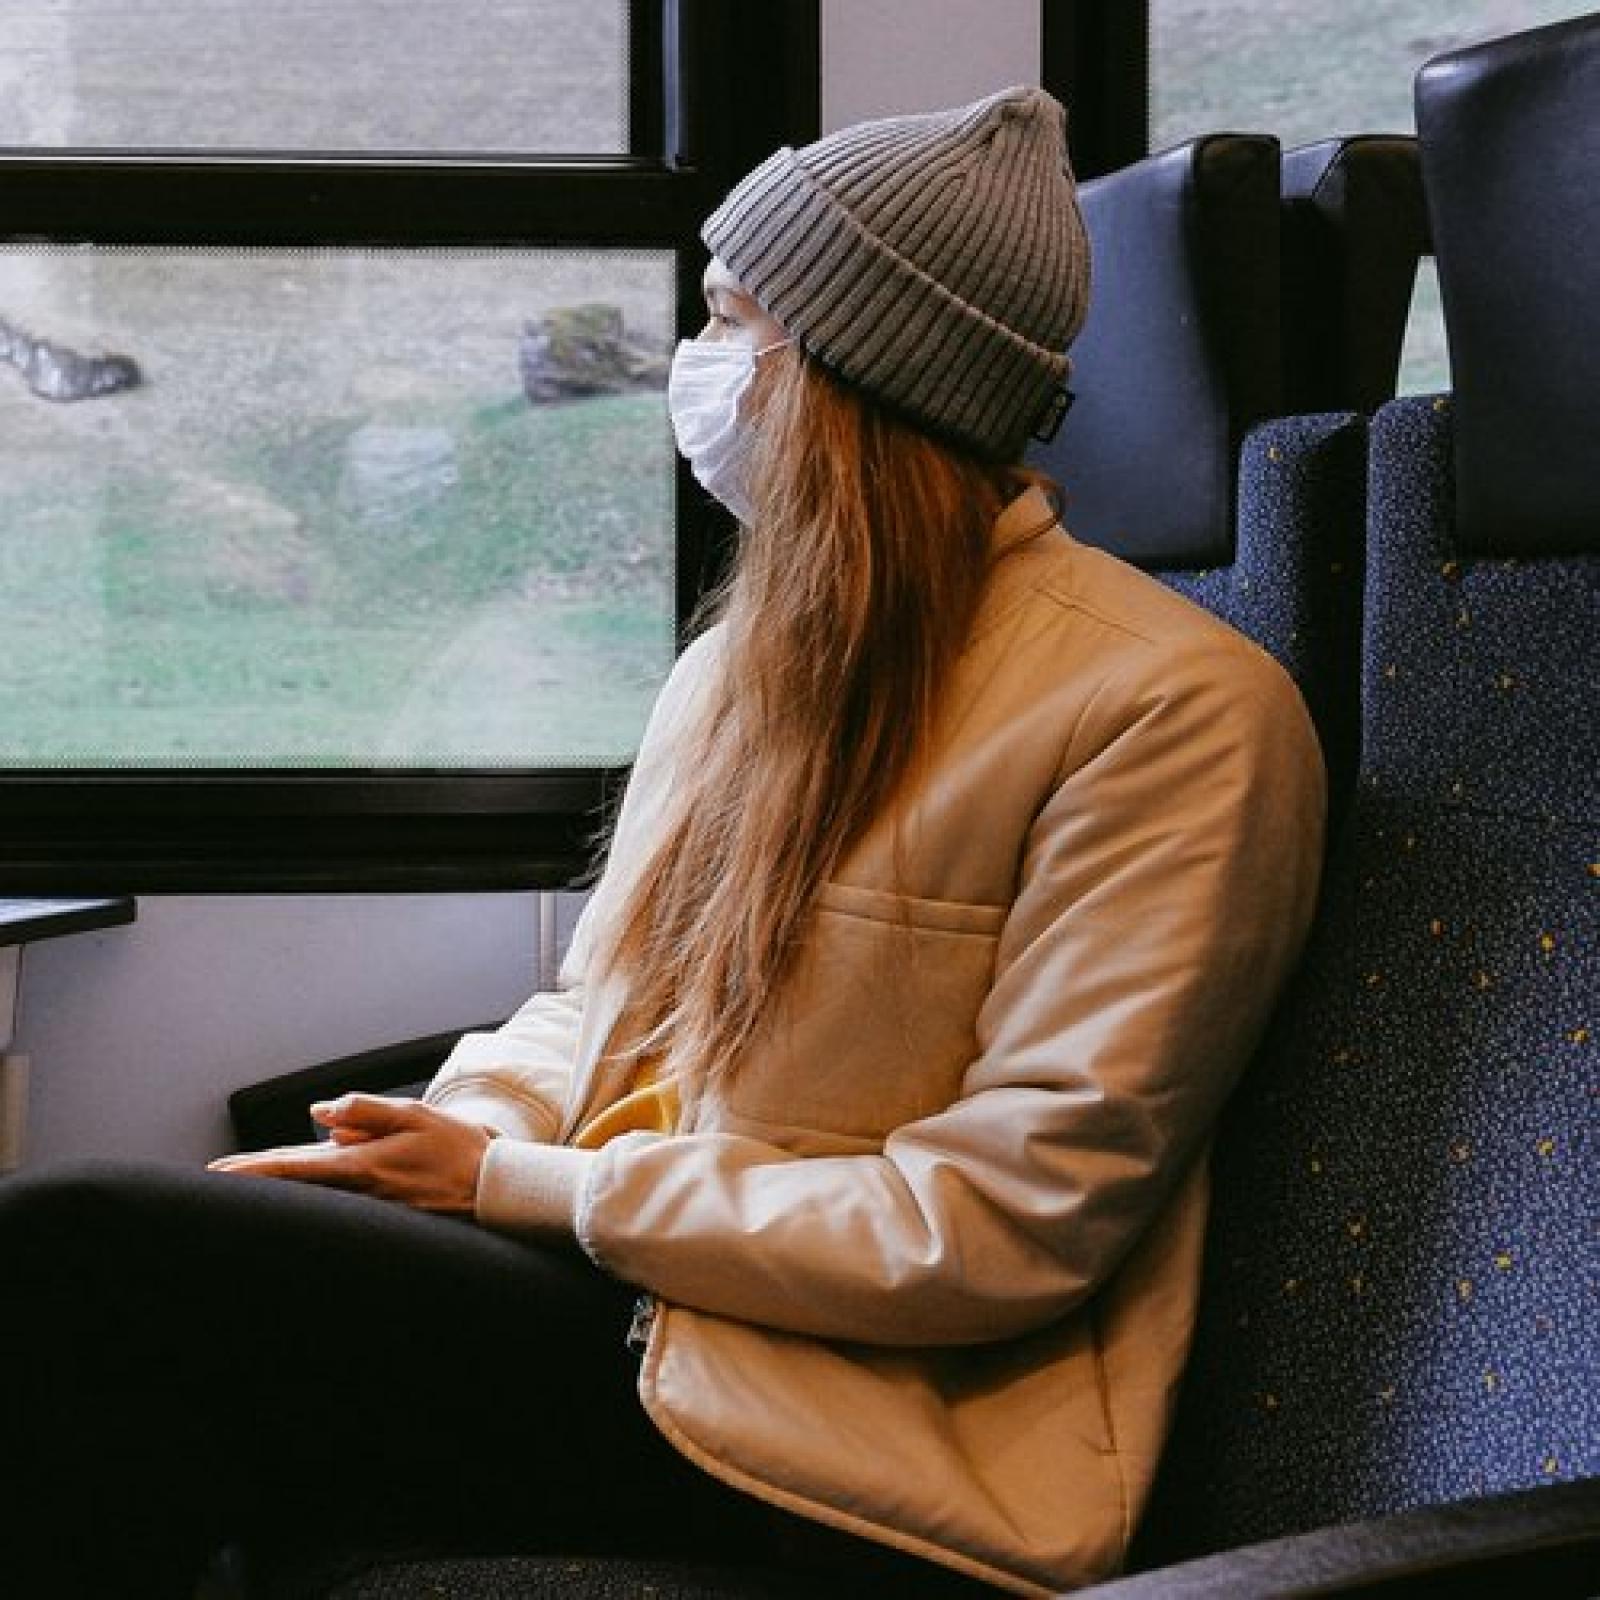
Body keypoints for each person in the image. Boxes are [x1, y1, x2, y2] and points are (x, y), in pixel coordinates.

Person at [0, 87, 1324, 1599]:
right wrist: (474, 1129)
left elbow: (1000, 1225)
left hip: (837, 1421)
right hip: (635, 1302)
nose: (699, 369)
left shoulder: (1172, 711)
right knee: (142, 1365)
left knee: (79, 1254)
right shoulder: (745, 668)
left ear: (852, 370)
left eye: (732, 319)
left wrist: (518, 1193)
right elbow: (599, 1007)